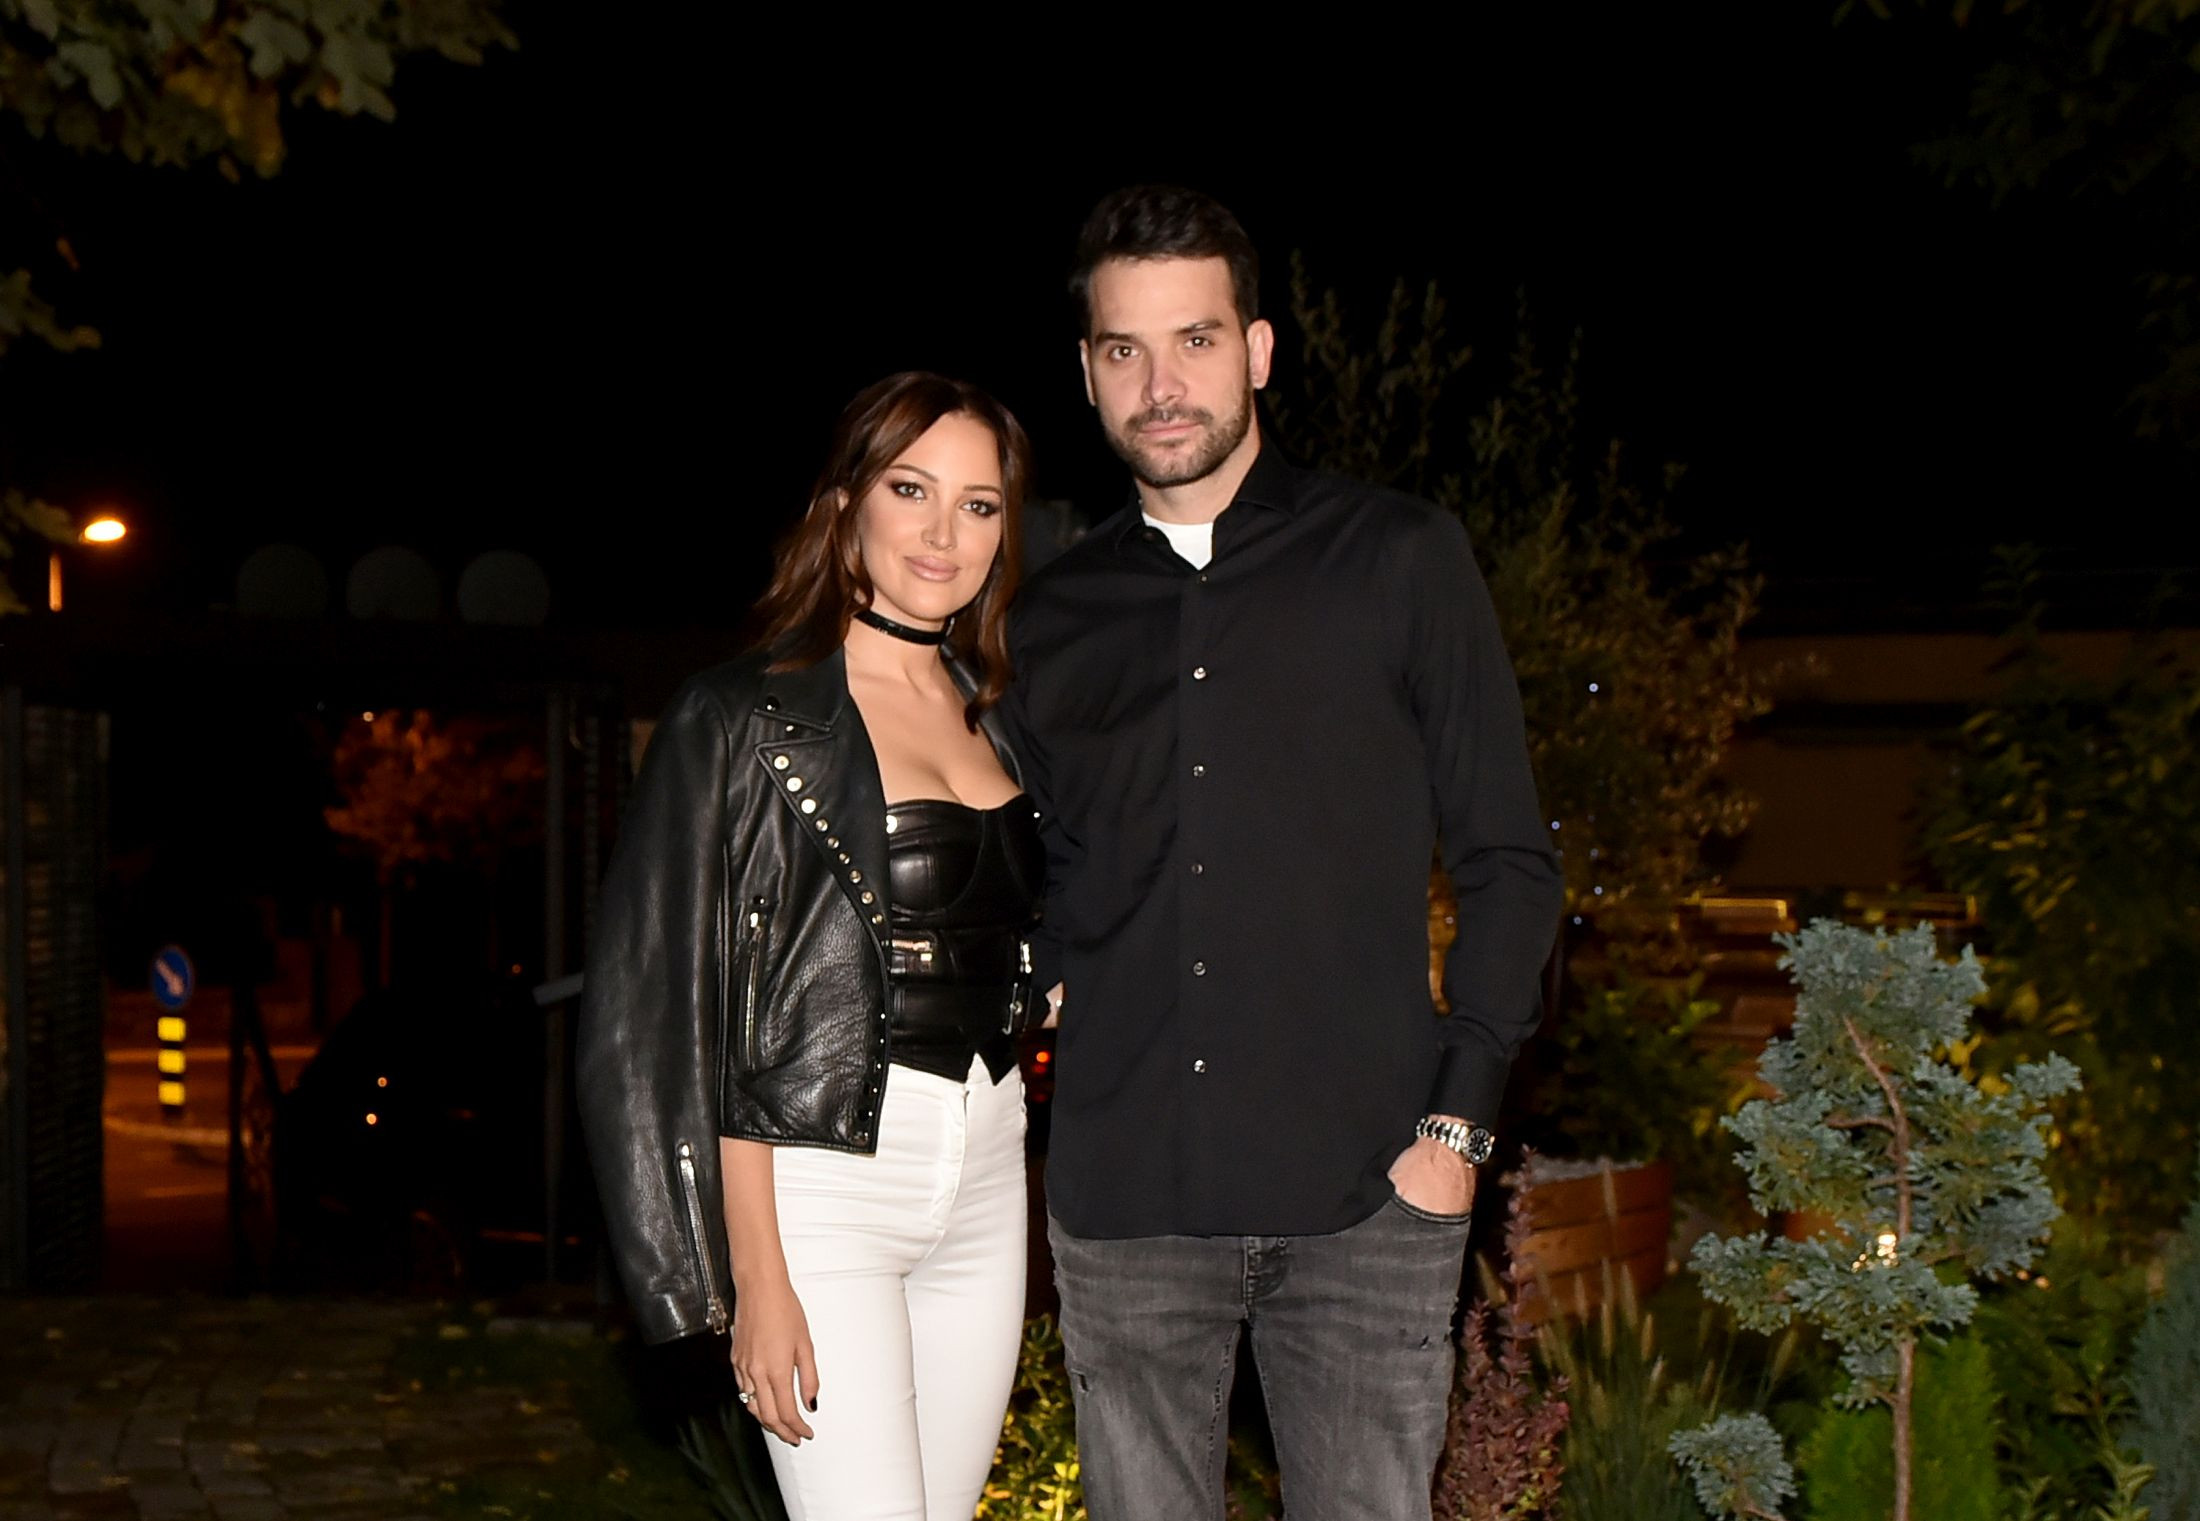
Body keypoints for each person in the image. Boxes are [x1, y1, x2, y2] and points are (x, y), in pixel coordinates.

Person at [1003, 186, 1565, 1520]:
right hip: (1127, 1200)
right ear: (1086, 372)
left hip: (1368, 1194)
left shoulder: (1400, 558)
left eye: (1194, 341)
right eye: (1125, 350)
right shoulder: (1048, 617)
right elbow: (1045, 871)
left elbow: (1507, 857)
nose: (1161, 385)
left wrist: (1456, 1129)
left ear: (1256, 350)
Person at [577, 371, 1043, 1521]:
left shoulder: (998, 711)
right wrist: (753, 1274)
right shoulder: (740, 717)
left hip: (989, 1165)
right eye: (910, 489)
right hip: (822, 1184)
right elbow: (673, 1009)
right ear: (844, 507)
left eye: (978, 504)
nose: (943, 532)